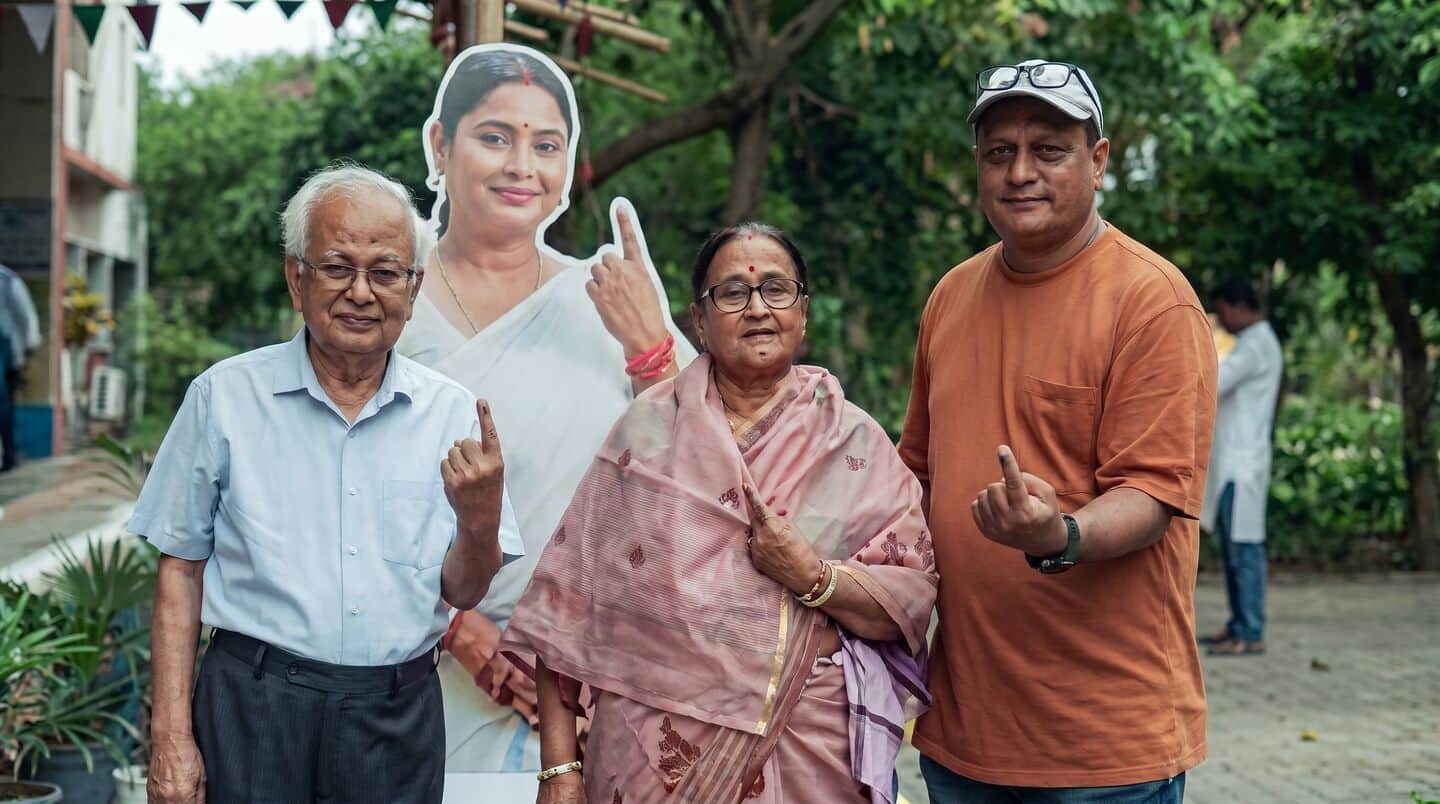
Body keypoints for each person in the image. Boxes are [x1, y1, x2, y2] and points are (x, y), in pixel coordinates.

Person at [502, 222, 938, 804]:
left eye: (776, 289)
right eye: (732, 293)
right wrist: (559, 771)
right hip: (648, 760)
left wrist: (814, 578)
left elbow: (907, 602)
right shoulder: (648, 433)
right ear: (700, 321)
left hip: (809, 753)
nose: (757, 308)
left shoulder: (854, 441)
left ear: (803, 313)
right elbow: (566, 612)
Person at [134, 164, 523, 804]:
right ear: (297, 278)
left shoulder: (452, 413)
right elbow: (179, 570)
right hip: (253, 710)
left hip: (394, 720)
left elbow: (463, 589)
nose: (361, 293)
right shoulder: (224, 398)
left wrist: (479, 520)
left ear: (414, 288)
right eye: (338, 267)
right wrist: (170, 738)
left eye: (386, 272)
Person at [898, 60, 1218, 802]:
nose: (1020, 173)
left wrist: (1058, 535)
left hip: (1103, 745)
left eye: (1048, 150)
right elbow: (916, 473)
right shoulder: (952, 295)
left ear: (1098, 162)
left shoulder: (1152, 301)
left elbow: (1152, 495)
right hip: (964, 731)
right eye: (999, 152)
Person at [397, 43, 696, 772]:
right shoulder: (387, 301)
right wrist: (457, 627)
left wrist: (649, 344)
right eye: (495, 137)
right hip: (417, 665)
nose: (521, 166)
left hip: (597, 677)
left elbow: (702, 472)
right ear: (440, 144)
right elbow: (338, 486)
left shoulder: (605, 298)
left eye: (547, 145)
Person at [1200, 277, 1282, 656]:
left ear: (1239, 307)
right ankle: (1239, 623)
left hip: (1241, 465)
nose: (1222, 320)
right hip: (1235, 462)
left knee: (1244, 549)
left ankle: (1249, 630)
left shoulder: (1257, 344)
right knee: (1234, 550)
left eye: (1222, 312)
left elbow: (1215, 381)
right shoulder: (1254, 342)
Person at [0, 263, 42, 472]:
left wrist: (28, 349)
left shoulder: (7, 280)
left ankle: (10, 454)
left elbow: (26, 316)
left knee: (4, 404)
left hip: (7, 352)